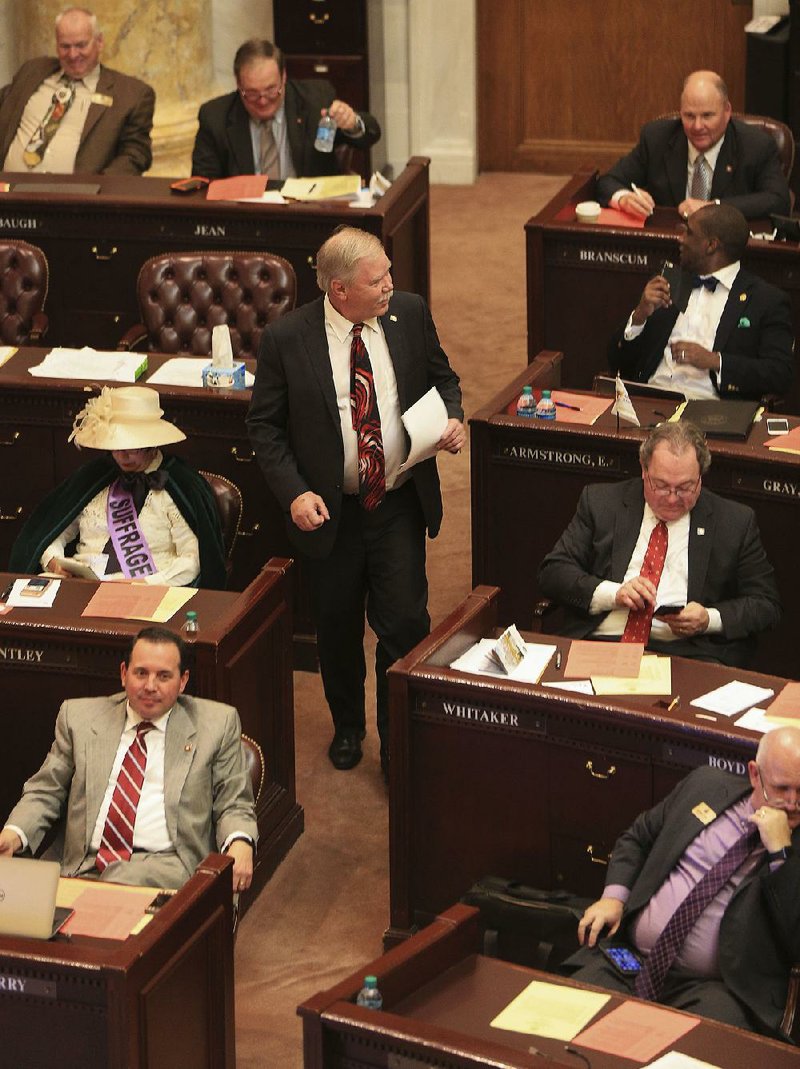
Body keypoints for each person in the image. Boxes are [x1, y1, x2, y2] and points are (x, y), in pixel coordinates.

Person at [246, 226, 464, 773]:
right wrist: (294, 494)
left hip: (396, 500)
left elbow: (443, 378)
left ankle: (397, 744)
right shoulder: (286, 340)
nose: (392, 284)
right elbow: (265, 430)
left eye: (389, 272)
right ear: (339, 290)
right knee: (338, 631)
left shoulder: (408, 314)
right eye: (378, 279)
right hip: (330, 514)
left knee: (406, 624)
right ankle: (348, 725)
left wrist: (453, 417)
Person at [567, 725, 800, 1038]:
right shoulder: (705, 785)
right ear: (755, 775)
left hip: (718, 991)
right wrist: (613, 898)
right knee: (563, 1030)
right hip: (630, 961)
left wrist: (781, 855)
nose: (793, 803)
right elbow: (638, 838)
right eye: (782, 788)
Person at [0, 627, 257, 890]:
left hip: (169, 866)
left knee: (117, 882)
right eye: (141, 673)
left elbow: (234, 803)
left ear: (182, 681)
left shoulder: (216, 725)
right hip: (82, 865)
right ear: (124, 674)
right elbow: (45, 791)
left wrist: (241, 842)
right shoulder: (79, 718)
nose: (150, 686)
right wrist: (13, 833)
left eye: (164, 676)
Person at [537, 420, 780, 667]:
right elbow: (553, 573)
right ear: (644, 471)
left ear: (700, 479)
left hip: (687, 654)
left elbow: (765, 605)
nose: (673, 498)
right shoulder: (601, 503)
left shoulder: (734, 522)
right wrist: (614, 593)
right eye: (661, 486)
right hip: (602, 644)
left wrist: (708, 618)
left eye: (685, 487)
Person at [9, 385, 227, 589]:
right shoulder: (96, 476)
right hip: (79, 586)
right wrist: (54, 561)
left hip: (147, 591)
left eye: (132, 448)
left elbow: (194, 559)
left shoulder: (181, 483)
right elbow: (52, 530)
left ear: (152, 443)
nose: (122, 456)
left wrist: (145, 583)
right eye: (116, 447)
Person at [608, 202, 794, 400]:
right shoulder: (668, 282)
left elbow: (779, 374)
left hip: (712, 413)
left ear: (711, 245)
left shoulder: (765, 299)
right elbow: (617, 361)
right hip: (651, 400)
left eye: (689, 233)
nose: (681, 239)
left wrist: (715, 361)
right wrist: (639, 315)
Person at [596, 70, 790, 221]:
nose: (697, 126)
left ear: (727, 111)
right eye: (689, 116)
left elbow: (778, 200)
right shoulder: (657, 138)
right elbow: (608, 182)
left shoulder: (756, 145)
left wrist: (713, 207)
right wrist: (623, 199)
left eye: (707, 115)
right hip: (668, 244)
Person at [191, 38, 380, 181]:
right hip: (244, 217)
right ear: (238, 84)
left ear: (283, 77)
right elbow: (203, 183)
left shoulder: (315, 100)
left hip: (307, 215)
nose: (263, 101)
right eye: (252, 93)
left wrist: (352, 123)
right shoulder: (215, 117)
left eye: (271, 90)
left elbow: (371, 134)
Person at [0, 7, 155, 176]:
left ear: (99, 42)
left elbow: (136, 154)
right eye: (65, 46)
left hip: (76, 198)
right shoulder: (32, 71)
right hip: (9, 193)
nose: (73, 55)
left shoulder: (131, 94)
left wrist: (100, 193)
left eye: (81, 45)